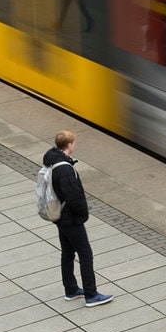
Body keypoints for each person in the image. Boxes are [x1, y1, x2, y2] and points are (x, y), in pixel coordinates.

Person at [44, 130, 113, 308]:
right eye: (74, 142)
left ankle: (71, 289)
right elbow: (74, 196)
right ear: (69, 145)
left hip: (60, 215)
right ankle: (91, 294)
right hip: (70, 218)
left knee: (67, 253)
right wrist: (83, 214)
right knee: (85, 254)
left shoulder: (53, 161)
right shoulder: (65, 169)